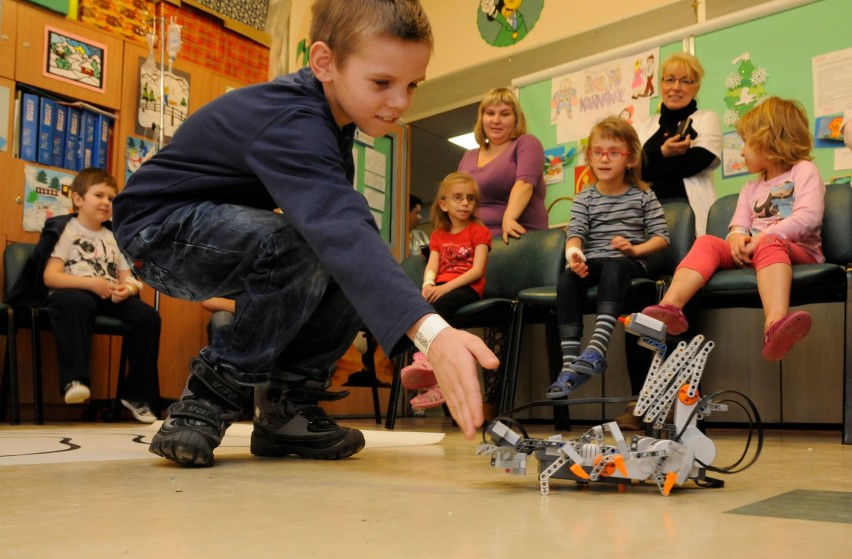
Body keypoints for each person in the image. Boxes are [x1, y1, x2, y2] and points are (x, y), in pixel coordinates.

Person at [112, 0, 497, 467]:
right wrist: (433, 334)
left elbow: (346, 235)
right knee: (314, 244)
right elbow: (335, 224)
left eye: (411, 85)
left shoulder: (334, 120)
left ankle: (286, 410)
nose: (400, 102)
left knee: (352, 264)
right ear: (324, 63)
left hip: (210, 229)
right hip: (157, 230)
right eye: (382, 82)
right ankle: (206, 400)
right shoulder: (293, 116)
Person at [643, 97, 824, 362]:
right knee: (706, 242)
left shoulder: (803, 171)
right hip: (756, 250)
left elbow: (809, 217)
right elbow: (738, 224)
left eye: (747, 143)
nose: (741, 152)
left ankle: (774, 323)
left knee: (771, 243)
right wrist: (738, 238)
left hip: (798, 251)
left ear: (769, 142)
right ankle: (670, 307)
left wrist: (763, 237)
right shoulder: (750, 188)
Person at [546, 116, 669, 398]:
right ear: (590, 157)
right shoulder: (584, 197)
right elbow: (575, 233)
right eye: (597, 152)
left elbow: (662, 238)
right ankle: (569, 366)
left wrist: (635, 250)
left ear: (630, 159)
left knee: (614, 266)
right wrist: (574, 256)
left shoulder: (643, 195)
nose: (604, 159)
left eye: (614, 153)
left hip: (628, 264)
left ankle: (597, 349)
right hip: (595, 261)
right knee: (566, 281)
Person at [42, 168, 161, 423]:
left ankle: (138, 394)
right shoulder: (67, 230)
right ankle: (74, 380)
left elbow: (128, 278)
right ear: (78, 199)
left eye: (111, 198)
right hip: (74, 293)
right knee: (75, 301)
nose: (106, 202)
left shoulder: (114, 236)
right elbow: (50, 277)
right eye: (99, 195)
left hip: (107, 296)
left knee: (147, 317)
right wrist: (91, 284)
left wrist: (126, 289)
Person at [401, 172, 491, 409]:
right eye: (458, 198)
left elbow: (477, 270)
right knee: (417, 310)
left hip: (466, 288)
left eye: (470, 199)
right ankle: (435, 378)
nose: (465, 203)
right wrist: (428, 285)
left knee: (435, 308)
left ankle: (425, 361)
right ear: (443, 204)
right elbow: (432, 264)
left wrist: (444, 288)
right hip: (441, 289)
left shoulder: (478, 231)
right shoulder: (438, 235)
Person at [634, 52, 722, 236]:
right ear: (661, 84)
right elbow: (632, 169)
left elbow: (696, 163)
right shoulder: (642, 125)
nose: (676, 87)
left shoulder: (706, 118)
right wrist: (663, 152)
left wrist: (651, 162)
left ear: (696, 88)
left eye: (685, 81)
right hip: (645, 223)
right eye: (670, 79)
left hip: (693, 222)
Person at [457, 87, 547, 244]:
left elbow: (524, 184)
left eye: (505, 114)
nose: (496, 120)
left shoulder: (526, 143)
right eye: (490, 113)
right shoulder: (468, 156)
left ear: (516, 119)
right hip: (473, 243)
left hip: (516, 237)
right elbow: (456, 200)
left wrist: (509, 218)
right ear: (482, 118)